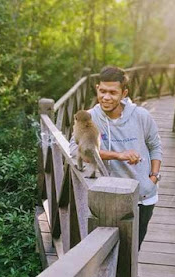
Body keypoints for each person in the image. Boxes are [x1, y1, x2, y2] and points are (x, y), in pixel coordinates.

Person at [69, 65, 162, 250]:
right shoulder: (88, 117)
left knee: (132, 250)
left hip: (142, 196)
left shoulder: (141, 116)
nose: (106, 97)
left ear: (124, 93)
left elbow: (156, 146)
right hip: (106, 197)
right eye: (102, 91)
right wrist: (117, 155)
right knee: (104, 254)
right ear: (97, 88)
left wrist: (153, 178)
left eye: (112, 92)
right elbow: (74, 150)